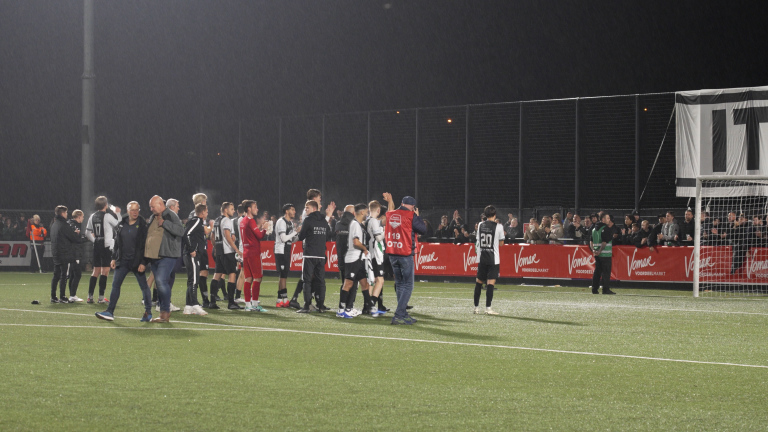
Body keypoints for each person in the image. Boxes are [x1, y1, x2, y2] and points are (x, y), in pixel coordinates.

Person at [95, 201, 153, 322]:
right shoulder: (122, 223)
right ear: (128, 211)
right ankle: (110, 312)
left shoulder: (143, 225)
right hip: (122, 261)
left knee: (144, 287)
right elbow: (117, 242)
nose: (135, 212)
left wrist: (143, 262)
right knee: (115, 285)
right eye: (132, 210)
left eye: (137, 210)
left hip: (137, 263)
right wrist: (113, 258)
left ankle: (148, 312)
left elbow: (146, 246)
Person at [386, 196, 427, 325]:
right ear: (412, 206)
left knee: (399, 284)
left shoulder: (390, 214)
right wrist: (417, 216)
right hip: (405, 253)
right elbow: (423, 229)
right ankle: (399, 314)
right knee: (408, 285)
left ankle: (402, 313)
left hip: (392, 253)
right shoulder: (410, 215)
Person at [291, 189, 335, 310]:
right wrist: (327, 216)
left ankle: (308, 303)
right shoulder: (311, 214)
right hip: (315, 249)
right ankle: (316, 303)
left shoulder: (311, 216)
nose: (321, 201)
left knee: (309, 278)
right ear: (314, 200)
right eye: (319, 198)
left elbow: (306, 233)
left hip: (312, 250)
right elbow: (324, 231)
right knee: (313, 278)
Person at [145, 196, 184, 323]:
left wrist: (165, 223)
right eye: (150, 206)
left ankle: (165, 312)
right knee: (159, 283)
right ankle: (163, 311)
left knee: (161, 281)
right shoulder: (152, 217)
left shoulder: (170, 215)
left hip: (167, 255)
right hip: (154, 256)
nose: (151, 209)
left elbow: (180, 231)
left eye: (153, 206)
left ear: (161, 204)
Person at [337, 203, 375, 318]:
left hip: (359, 259)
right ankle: (341, 310)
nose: (367, 214)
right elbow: (356, 242)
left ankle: (370, 308)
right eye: (366, 211)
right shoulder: (355, 224)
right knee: (348, 283)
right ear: (362, 212)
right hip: (353, 258)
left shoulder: (358, 224)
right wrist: (365, 249)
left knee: (364, 283)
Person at [85, 196, 119, 303]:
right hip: (106, 245)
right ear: (106, 205)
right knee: (105, 271)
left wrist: (94, 240)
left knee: (96, 271)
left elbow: (87, 232)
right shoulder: (108, 216)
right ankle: (101, 297)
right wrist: (117, 213)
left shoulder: (92, 216)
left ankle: (90, 297)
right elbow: (119, 225)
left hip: (97, 245)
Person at [49, 206, 87, 303]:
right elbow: (75, 239)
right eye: (66, 213)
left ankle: (53, 296)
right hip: (64, 253)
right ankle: (62, 296)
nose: (67, 214)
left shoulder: (54, 224)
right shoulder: (64, 225)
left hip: (55, 253)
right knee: (64, 276)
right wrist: (77, 234)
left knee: (56, 275)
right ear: (62, 213)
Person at [473, 205, 505, 315]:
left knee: (478, 283)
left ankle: (476, 308)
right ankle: (488, 308)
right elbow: (501, 243)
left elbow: (478, 240)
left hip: (482, 258)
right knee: (490, 284)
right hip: (493, 259)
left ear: (485, 215)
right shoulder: (499, 226)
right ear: (495, 214)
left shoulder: (481, 225)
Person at [366, 194, 395, 315]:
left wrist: (390, 202)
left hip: (370, 253)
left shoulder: (368, 220)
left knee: (373, 280)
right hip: (376, 253)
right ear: (378, 211)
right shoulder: (374, 221)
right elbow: (378, 238)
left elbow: (389, 214)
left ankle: (369, 304)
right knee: (380, 281)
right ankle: (371, 304)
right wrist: (386, 231)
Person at [239, 200, 270, 312]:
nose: (257, 209)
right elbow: (259, 235)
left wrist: (260, 226)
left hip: (246, 252)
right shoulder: (251, 221)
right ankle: (255, 304)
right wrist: (265, 228)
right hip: (253, 252)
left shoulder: (243, 220)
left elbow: (251, 234)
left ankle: (248, 305)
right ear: (249, 209)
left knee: (248, 278)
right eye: (255, 207)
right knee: (257, 278)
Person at [211, 202, 242, 310]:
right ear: (225, 210)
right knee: (232, 275)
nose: (233, 211)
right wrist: (237, 249)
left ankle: (212, 302)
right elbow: (228, 237)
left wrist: (215, 247)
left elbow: (212, 236)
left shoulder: (217, 220)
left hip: (219, 251)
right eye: (232, 209)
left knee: (217, 275)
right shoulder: (227, 220)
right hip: (227, 252)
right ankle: (231, 302)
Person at [182, 204, 210, 316]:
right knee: (194, 280)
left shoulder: (196, 221)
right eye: (206, 212)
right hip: (192, 255)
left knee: (191, 280)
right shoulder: (197, 221)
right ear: (202, 212)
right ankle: (195, 304)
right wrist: (191, 249)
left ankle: (188, 307)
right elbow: (186, 234)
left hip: (193, 255)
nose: (207, 214)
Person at [274, 203, 298, 307]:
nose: (294, 212)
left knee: (283, 275)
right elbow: (283, 238)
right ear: (287, 211)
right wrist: (296, 232)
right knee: (283, 276)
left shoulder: (290, 223)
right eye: (292, 210)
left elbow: (291, 240)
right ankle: (285, 299)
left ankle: (280, 300)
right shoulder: (281, 221)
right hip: (281, 251)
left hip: (287, 250)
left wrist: (299, 234)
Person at [590, 213, 617, 295]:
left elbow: (590, 241)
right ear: (603, 219)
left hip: (597, 255)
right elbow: (604, 242)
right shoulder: (606, 228)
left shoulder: (594, 229)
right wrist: (600, 251)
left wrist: (594, 250)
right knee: (606, 272)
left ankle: (594, 289)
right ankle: (605, 289)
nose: (609, 220)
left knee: (597, 272)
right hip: (605, 254)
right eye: (608, 218)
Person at [67, 209, 86, 302]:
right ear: (79, 216)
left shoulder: (70, 223)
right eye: (82, 216)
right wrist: (86, 238)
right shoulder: (73, 225)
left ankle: (72, 294)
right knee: (77, 274)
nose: (83, 218)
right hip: (74, 253)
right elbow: (76, 239)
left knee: (73, 274)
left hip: (72, 252)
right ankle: (72, 295)